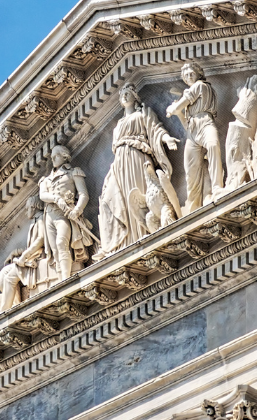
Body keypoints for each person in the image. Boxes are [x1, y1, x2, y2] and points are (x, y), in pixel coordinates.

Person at [100, 83, 181, 254]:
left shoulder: (143, 113)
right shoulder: (119, 123)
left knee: (141, 190)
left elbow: (156, 128)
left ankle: (145, 231)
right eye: (122, 94)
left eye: (128, 92)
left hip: (138, 157)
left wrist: (167, 139)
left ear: (134, 96)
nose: (124, 95)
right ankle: (131, 238)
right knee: (121, 197)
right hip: (121, 162)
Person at [167, 62, 223, 211]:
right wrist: (178, 112)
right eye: (185, 76)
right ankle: (193, 204)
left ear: (199, 74)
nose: (188, 76)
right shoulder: (189, 99)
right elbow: (186, 124)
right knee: (190, 168)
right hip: (192, 130)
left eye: (191, 73)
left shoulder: (200, 86)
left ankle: (218, 187)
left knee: (213, 146)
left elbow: (182, 102)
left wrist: (174, 108)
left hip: (205, 122)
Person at [37, 145, 97, 278]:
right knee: (54, 249)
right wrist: (56, 198)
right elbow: (43, 195)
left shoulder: (73, 172)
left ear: (65, 156)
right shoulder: (46, 180)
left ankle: (65, 278)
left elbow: (83, 195)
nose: (52, 159)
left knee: (61, 242)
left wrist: (77, 210)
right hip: (50, 215)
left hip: (64, 215)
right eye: (51, 156)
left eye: (56, 155)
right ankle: (61, 278)